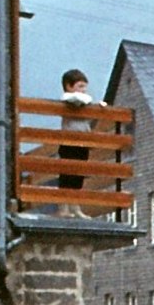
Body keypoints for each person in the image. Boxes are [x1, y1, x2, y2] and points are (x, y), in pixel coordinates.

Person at [58, 68, 96, 218]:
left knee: (78, 175)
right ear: (69, 86)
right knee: (67, 174)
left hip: (82, 142)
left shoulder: (83, 102)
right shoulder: (69, 99)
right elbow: (76, 100)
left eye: (85, 87)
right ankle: (63, 208)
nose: (84, 90)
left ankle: (75, 207)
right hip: (69, 141)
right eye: (80, 86)